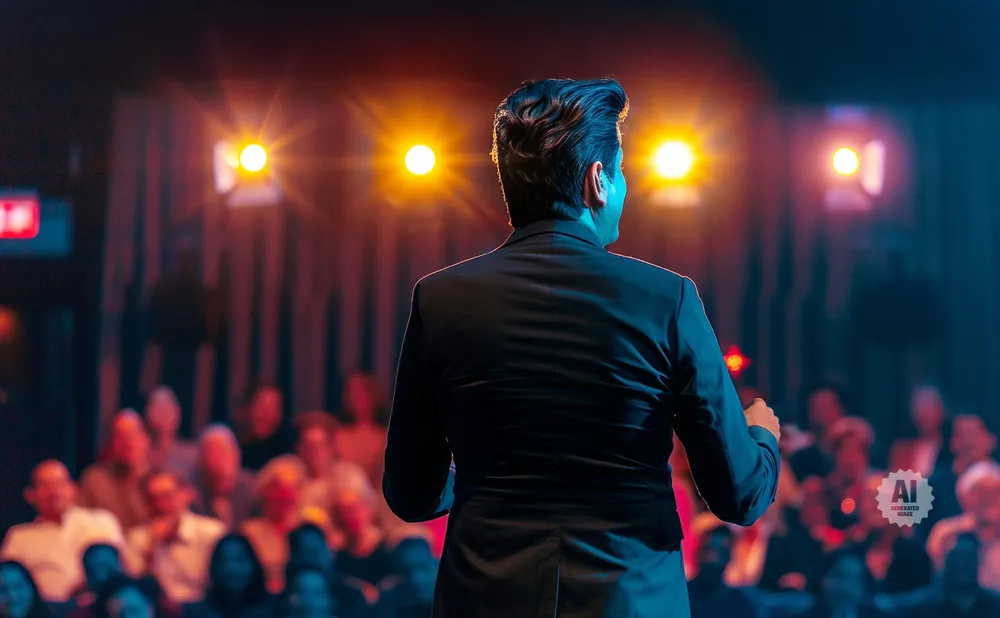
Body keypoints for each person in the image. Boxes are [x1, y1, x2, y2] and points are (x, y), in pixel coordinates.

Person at [382, 78, 781, 618]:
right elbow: (739, 494)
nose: (622, 187)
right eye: (620, 172)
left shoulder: (440, 300)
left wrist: (483, 484)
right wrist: (763, 433)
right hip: (631, 602)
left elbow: (411, 494)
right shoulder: (668, 299)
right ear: (597, 180)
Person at [0, 460, 124, 602]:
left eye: (59, 483)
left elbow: (120, 573)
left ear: (73, 488)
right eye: (45, 485)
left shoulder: (102, 522)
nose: (54, 491)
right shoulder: (19, 537)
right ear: (31, 495)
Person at [123, 469, 226, 603]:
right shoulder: (137, 538)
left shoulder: (211, 533)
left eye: (167, 497)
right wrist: (152, 546)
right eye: (152, 499)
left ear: (187, 495)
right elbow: (136, 591)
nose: (160, 505)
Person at [184, 534, 276, 618]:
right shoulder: (197, 613)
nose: (232, 569)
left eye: (240, 560)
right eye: (224, 561)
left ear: (254, 564)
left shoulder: (277, 608)